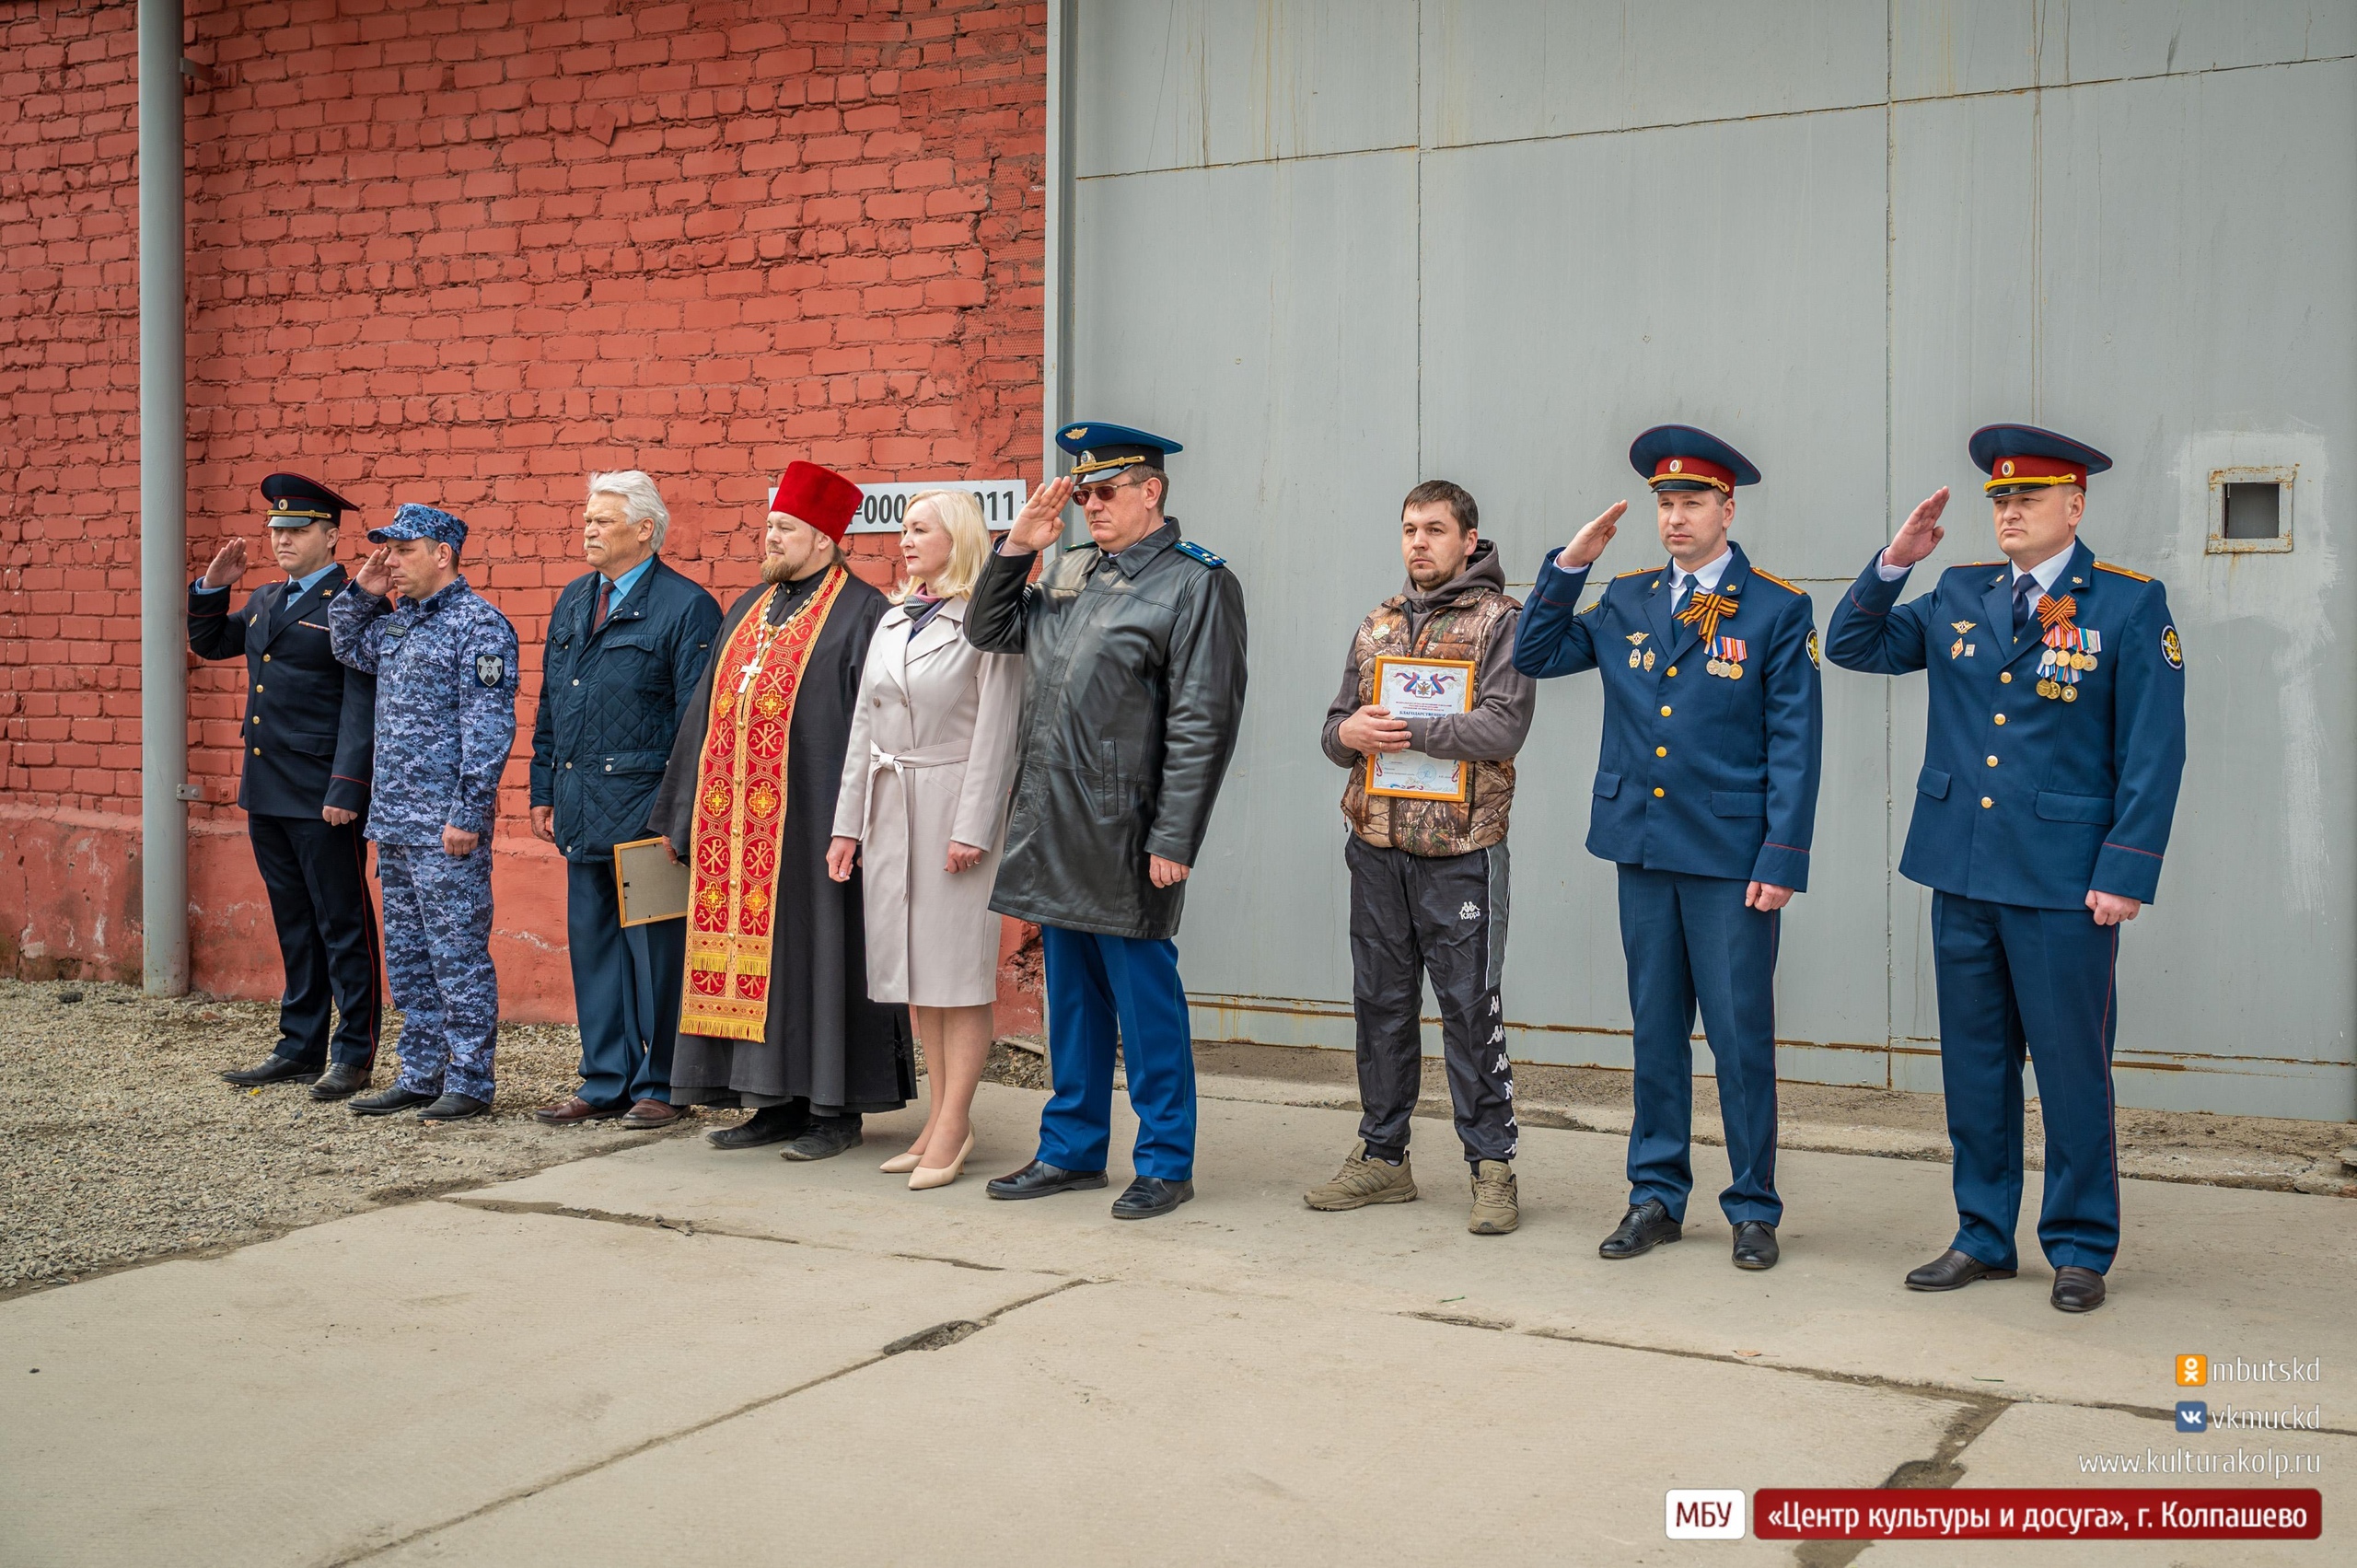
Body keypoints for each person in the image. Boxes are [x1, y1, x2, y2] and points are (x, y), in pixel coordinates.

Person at [1824, 424, 2186, 1314]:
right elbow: (1854, 646)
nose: (2010, 510)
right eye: (1998, 498)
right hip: (1963, 869)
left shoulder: (2128, 605)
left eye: (2027, 496)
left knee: (2070, 1069)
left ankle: (2077, 1244)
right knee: (1975, 1067)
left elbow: (2153, 751)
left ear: (2076, 504)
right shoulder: (1958, 589)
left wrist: (2126, 869)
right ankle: (1982, 1234)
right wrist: (1893, 562)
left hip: (2067, 881)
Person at [1512, 425, 1822, 1272]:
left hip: (1729, 858)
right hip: (1644, 848)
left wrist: (1782, 854)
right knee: (1655, 1033)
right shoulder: (1626, 598)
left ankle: (1753, 1207)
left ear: (1728, 508)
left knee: (1739, 1037)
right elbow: (1534, 651)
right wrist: (1569, 565)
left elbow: (1795, 742)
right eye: (1664, 503)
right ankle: (1655, 1194)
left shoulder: (1776, 609)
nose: (1675, 516)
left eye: (1691, 502)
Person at [968, 420, 1249, 1221]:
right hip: (1053, 819)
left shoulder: (1198, 584)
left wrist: (1175, 834)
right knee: (1074, 1003)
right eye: (1081, 491)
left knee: (1144, 1005)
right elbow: (988, 630)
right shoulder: (1067, 571)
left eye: (1103, 491)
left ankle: (1164, 1159)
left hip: (1127, 830)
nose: (1089, 503)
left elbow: (1204, 720)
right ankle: (1071, 1148)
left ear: (1150, 491)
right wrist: (1018, 546)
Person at [645, 460, 913, 1160]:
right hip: (734, 834)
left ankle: (833, 1110)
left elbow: (881, 724)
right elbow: (701, 713)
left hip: (819, 825)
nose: (770, 538)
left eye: (784, 529)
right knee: (751, 965)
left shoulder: (864, 612)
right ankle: (768, 1101)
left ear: (824, 538)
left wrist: (865, 823)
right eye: (769, 526)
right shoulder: (747, 609)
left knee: (821, 960)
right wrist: (681, 816)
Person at [1307, 479, 1537, 1234]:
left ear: (1468, 540)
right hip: (1375, 846)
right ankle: (1383, 1157)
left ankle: (1492, 1166)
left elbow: (1503, 728)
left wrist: (1409, 727)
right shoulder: (1378, 624)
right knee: (1380, 1004)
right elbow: (1334, 730)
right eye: (1409, 528)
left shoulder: (1503, 622)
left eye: (1434, 529)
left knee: (1471, 1007)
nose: (1418, 543)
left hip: (1462, 850)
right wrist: (1352, 737)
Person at [827, 489, 1023, 1191]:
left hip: (950, 808)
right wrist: (848, 824)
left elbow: (998, 731)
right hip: (889, 806)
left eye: (920, 529)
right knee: (916, 972)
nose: (905, 539)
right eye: (903, 528)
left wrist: (974, 826)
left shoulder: (987, 621)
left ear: (957, 537)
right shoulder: (892, 617)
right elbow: (863, 730)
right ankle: (942, 1116)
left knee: (958, 975)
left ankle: (955, 1121)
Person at [528, 472, 722, 1132]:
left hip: (647, 813)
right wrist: (543, 787)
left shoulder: (686, 606)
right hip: (582, 805)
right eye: (586, 518)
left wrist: (680, 813)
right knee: (594, 950)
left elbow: (698, 723)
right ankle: (605, 1076)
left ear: (645, 530)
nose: (588, 528)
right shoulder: (574, 600)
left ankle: (663, 1083)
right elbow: (553, 703)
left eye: (603, 520)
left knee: (656, 955)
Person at [328, 504, 520, 1122]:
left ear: (444, 553)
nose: (391, 560)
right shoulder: (396, 625)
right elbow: (343, 641)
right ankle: (420, 1072)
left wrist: (467, 812)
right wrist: (364, 588)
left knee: (458, 954)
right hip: (396, 823)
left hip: (446, 829)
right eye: (386, 549)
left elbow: (488, 727)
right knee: (410, 958)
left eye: (403, 549)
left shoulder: (479, 625)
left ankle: (468, 1079)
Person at [192, 473, 382, 1101]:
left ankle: (352, 1052)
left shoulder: (353, 603)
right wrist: (212, 588)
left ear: (330, 536)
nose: (282, 541)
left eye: (297, 531)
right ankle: (298, 1044)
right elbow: (212, 641)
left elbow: (361, 702)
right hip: (268, 787)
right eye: (276, 531)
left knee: (342, 923)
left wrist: (349, 786)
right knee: (295, 923)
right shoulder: (270, 601)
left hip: (322, 793)